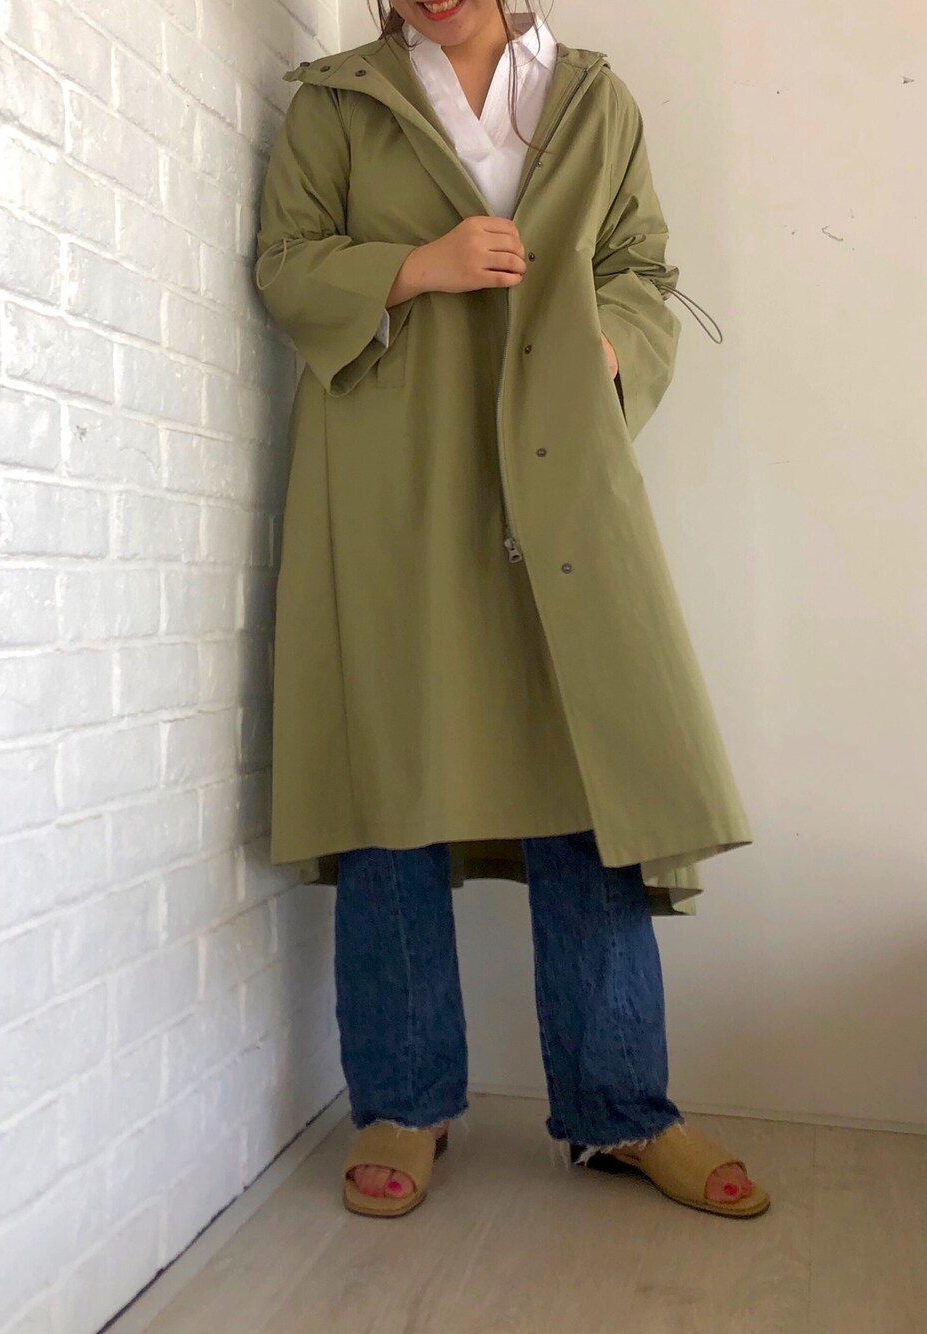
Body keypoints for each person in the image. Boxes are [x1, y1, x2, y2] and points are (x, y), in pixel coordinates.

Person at [254, 1, 769, 1220]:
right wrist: (414, 266)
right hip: (395, 474)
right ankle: (404, 1098)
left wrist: (611, 348)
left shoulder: (591, 97)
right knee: (394, 780)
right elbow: (285, 263)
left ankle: (622, 1107)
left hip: (557, 471)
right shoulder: (339, 101)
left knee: (591, 783)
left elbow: (641, 266)